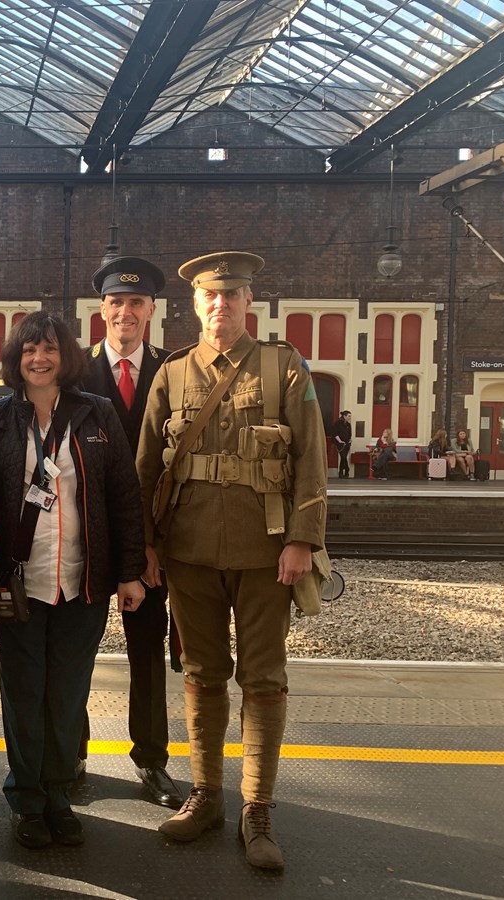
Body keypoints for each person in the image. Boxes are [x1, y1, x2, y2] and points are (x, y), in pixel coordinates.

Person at [138, 251, 327, 871]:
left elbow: (310, 461)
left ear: (249, 302)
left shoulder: (282, 367)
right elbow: (146, 469)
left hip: (265, 551)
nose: (221, 305)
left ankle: (258, 808)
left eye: (232, 296)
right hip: (188, 551)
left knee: (264, 679)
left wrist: (303, 539)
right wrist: (147, 546)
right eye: (210, 297)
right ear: (194, 304)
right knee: (200, 671)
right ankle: (205, 794)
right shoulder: (173, 373)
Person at [0, 312, 146, 849]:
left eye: (50, 349)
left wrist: (129, 572)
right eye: (29, 349)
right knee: (23, 692)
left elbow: (123, 495)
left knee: (68, 693)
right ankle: (26, 798)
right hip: (20, 586)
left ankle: (59, 792)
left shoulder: (96, 414)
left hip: (83, 583)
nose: (39, 358)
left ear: (66, 356)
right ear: (16, 359)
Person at [80, 255, 183, 810]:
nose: (126, 312)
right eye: (116, 302)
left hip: (148, 545)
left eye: (136, 303)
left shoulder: (174, 368)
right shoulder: (75, 370)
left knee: (147, 653)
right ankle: (73, 755)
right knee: (77, 653)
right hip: (86, 543)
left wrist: (153, 545)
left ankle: (151, 760)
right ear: (102, 311)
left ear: (151, 311)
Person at [331, 411, 352, 478]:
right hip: (339, 443)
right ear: (344, 416)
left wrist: (349, 440)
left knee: (344, 457)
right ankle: (345, 470)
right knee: (343, 457)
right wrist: (340, 441)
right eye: (349, 416)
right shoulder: (337, 423)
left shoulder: (348, 425)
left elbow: (349, 434)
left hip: (347, 443)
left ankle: (343, 472)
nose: (350, 417)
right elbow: (335, 433)